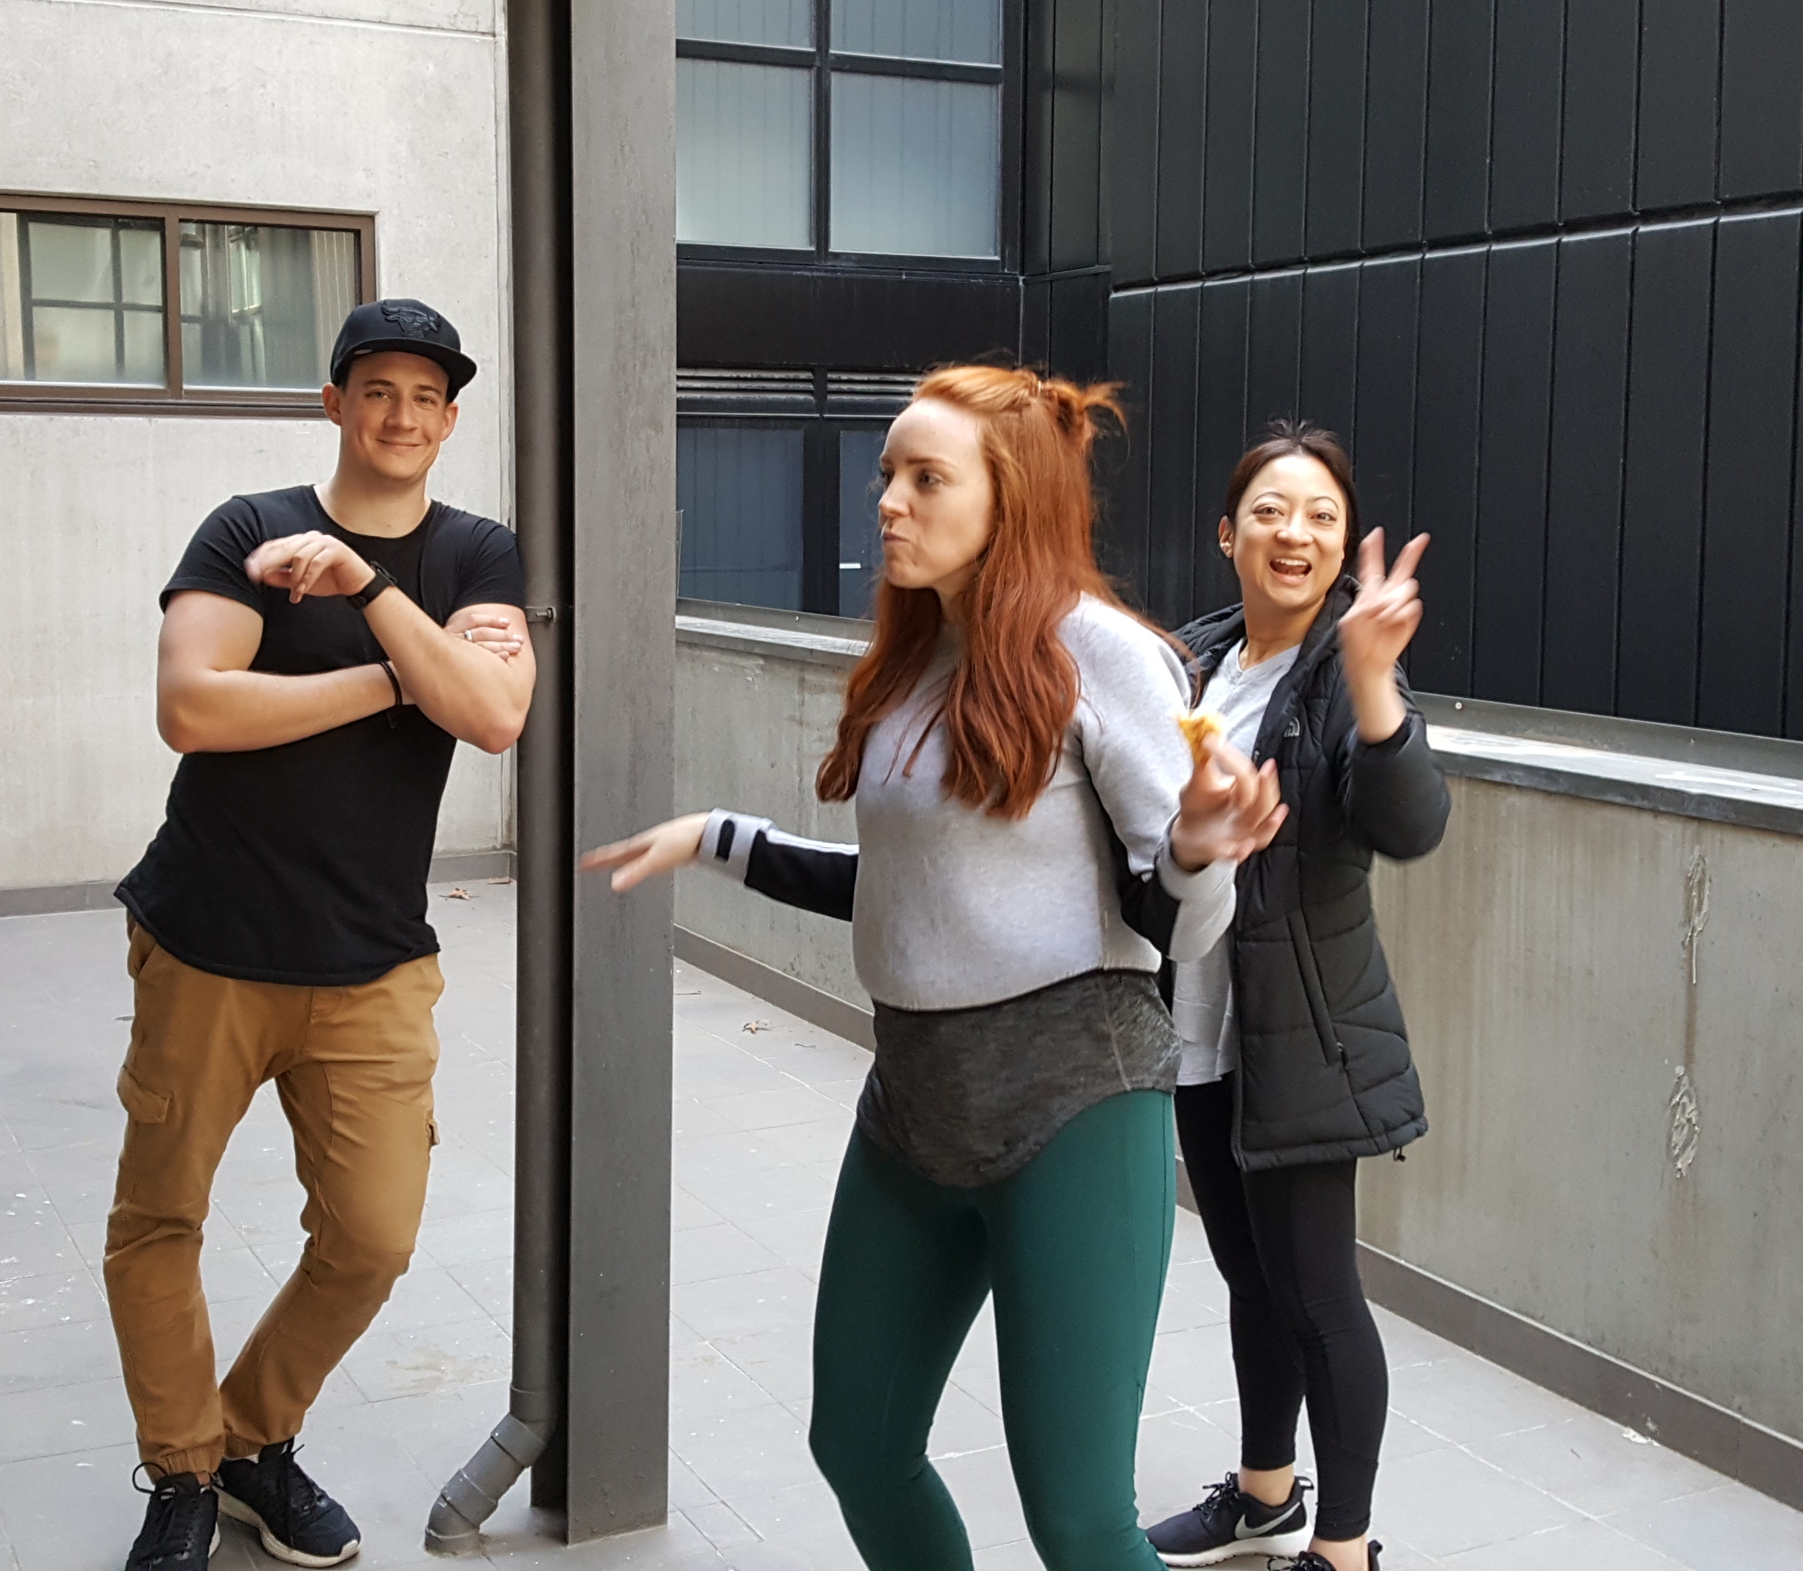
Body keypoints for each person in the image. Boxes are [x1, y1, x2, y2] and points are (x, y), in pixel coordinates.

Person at [582, 366, 1285, 1571]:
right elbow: (914, 890)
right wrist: (717, 838)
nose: (889, 502)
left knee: (1080, 1523)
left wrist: (1197, 852)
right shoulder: (919, 657)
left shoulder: (1101, 654)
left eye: (925, 478)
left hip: (1074, 1109)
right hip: (913, 1107)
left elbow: (1174, 921)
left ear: (1009, 497)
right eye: (887, 475)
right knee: (858, 1444)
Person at [106, 298, 535, 1571]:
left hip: (373, 963)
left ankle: (249, 1437)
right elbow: (195, 708)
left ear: (449, 422)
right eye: (378, 389)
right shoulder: (249, 529)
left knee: (371, 1236)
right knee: (161, 1219)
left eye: (426, 397)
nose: (401, 415)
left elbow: (494, 715)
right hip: (207, 943)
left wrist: (367, 588)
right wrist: (402, 674)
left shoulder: (479, 554)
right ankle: (183, 1471)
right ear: (335, 402)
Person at [1143, 425, 1443, 1571]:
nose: (1296, 533)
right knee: (1249, 1277)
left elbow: (1409, 821)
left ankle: (1346, 1551)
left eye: (1322, 516)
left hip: (1306, 1038)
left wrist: (1372, 679)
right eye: (1271, 510)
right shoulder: (1192, 659)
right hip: (1198, 1023)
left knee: (1320, 1298)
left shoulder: (1346, 671)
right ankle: (1266, 1496)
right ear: (1228, 534)